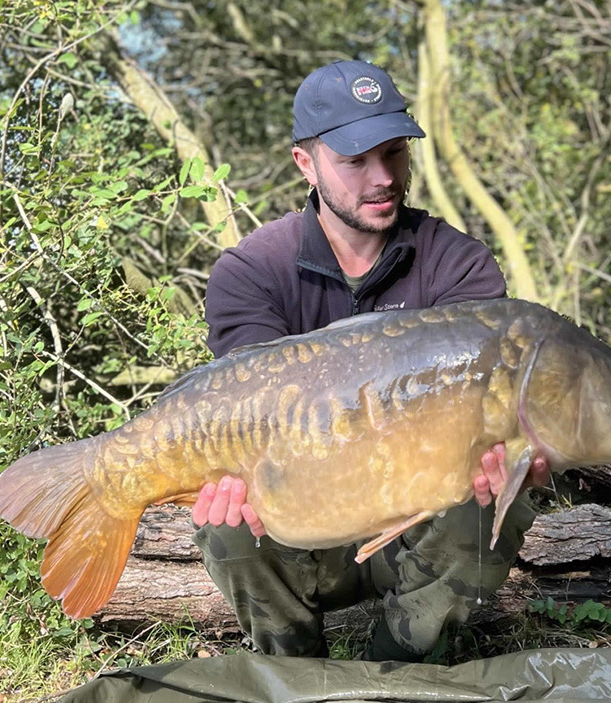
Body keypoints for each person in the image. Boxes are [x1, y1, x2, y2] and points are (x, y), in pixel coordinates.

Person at [191, 60, 549, 662]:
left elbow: (494, 412)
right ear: (306, 163)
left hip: (417, 529)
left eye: (394, 154)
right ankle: (294, 669)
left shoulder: (458, 266)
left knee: (495, 493)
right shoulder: (251, 272)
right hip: (304, 527)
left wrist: (517, 454)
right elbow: (241, 417)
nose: (382, 177)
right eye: (356, 161)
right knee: (222, 516)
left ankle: (401, 668)